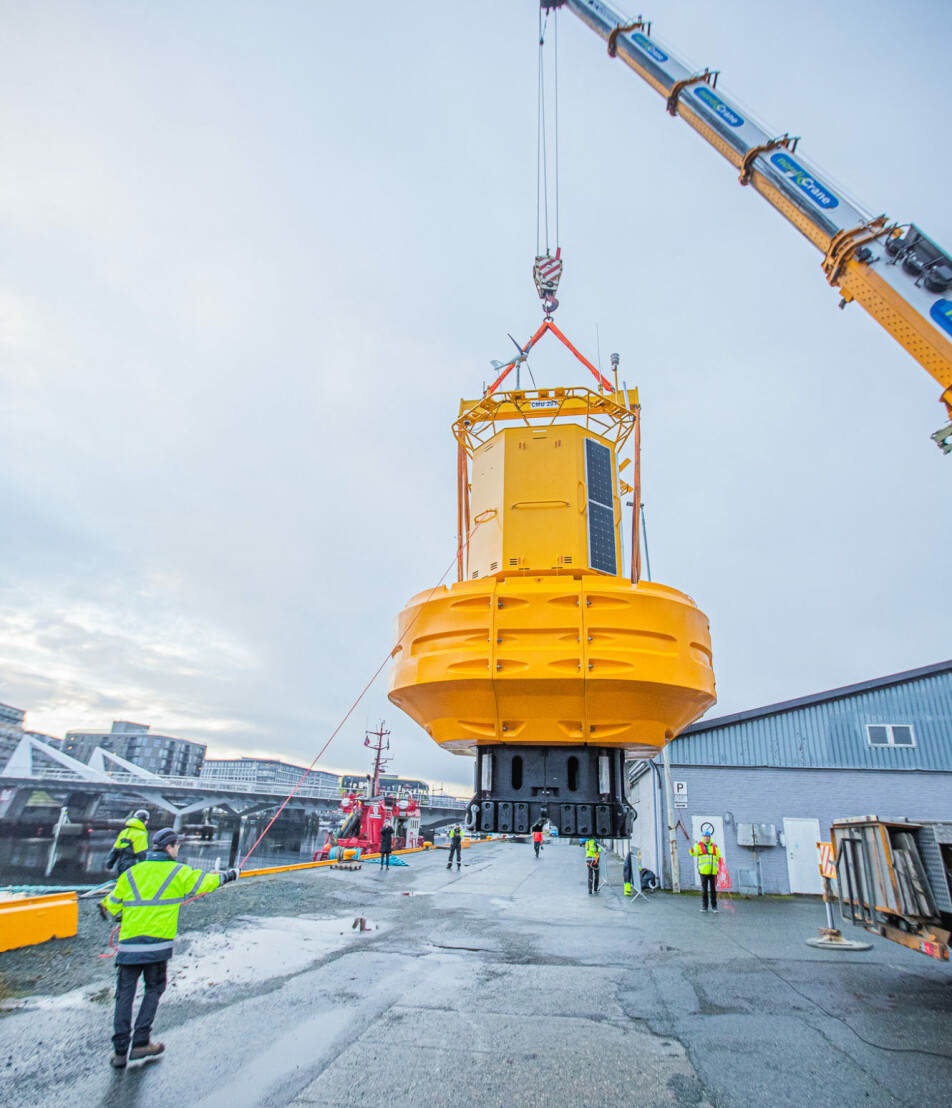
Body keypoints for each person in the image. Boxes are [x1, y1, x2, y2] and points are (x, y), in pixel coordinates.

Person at [99, 827, 239, 1068]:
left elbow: (109, 906)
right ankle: (141, 1041)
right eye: (177, 845)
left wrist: (117, 913)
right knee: (153, 989)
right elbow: (206, 882)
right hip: (157, 945)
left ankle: (119, 1051)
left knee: (124, 996)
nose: (178, 848)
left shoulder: (132, 873)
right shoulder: (178, 871)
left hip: (129, 946)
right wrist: (230, 875)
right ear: (170, 847)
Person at [106, 810, 150, 875]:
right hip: (133, 866)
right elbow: (141, 853)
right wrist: (146, 868)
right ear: (144, 821)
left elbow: (115, 850)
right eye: (147, 821)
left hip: (121, 865)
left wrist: (109, 865)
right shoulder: (141, 834)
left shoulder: (124, 832)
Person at [690, 829, 722, 913]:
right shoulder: (698, 845)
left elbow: (718, 857)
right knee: (704, 890)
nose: (706, 838)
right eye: (705, 836)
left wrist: (719, 867)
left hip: (713, 872)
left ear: (709, 837)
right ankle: (705, 907)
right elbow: (693, 853)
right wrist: (692, 848)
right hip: (703, 871)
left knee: (713, 890)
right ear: (703, 837)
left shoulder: (715, 846)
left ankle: (714, 907)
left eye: (707, 836)